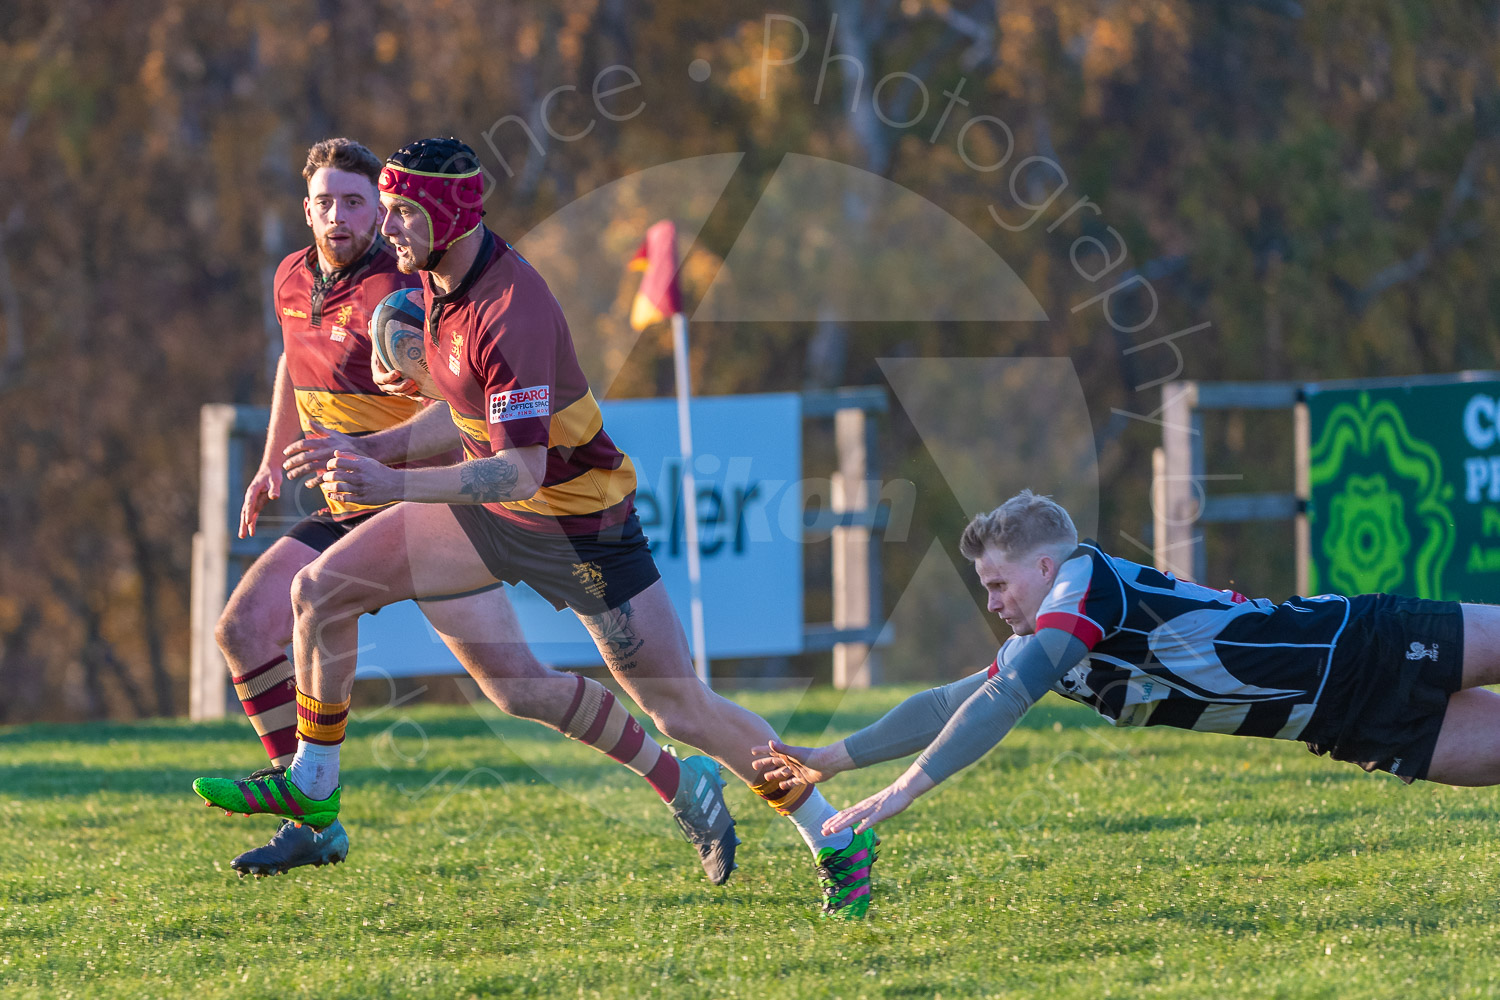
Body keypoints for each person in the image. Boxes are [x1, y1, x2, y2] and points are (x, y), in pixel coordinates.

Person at [201, 136, 877, 917]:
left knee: (682, 710)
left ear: (449, 216)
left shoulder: (509, 307)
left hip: (581, 525)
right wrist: (371, 446)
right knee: (319, 591)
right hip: (492, 516)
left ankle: (835, 834)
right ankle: (315, 792)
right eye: (382, 211)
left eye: (399, 212)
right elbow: (457, 421)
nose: (388, 230)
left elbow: (519, 469)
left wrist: (389, 480)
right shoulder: (430, 286)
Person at [753, 488, 1500, 847]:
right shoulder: (1050, 640)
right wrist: (830, 760)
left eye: (998, 584)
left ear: (1045, 566)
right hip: (1346, 723)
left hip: (1361, 642)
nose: (992, 604)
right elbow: (950, 702)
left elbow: (1006, 697)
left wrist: (904, 791)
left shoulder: (1086, 584)